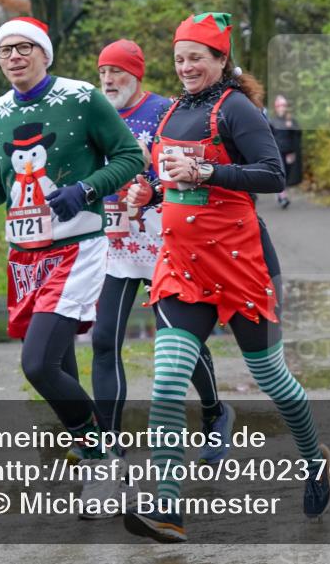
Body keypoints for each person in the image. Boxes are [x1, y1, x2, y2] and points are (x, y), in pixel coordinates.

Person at [121, 12, 330, 543]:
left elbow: (273, 174)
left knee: (273, 380)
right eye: (179, 58)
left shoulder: (235, 108)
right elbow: (162, 173)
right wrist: (148, 191)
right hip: (181, 266)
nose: (186, 66)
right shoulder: (171, 114)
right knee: (169, 382)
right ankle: (167, 508)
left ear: (220, 60)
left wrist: (210, 171)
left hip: (240, 263)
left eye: (196, 57)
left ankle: (314, 456)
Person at [0, 17, 146, 513]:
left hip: (77, 247)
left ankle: (104, 459)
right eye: (4, 51)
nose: (14, 57)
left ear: (44, 52)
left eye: (23, 48)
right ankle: (99, 468)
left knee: (37, 364)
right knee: (59, 367)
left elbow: (130, 157)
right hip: (24, 255)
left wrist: (86, 189)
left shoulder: (81, 97)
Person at [92, 39, 232, 485]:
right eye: (103, 74)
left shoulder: (166, 111)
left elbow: (187, 163)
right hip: (116, 244)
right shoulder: (96, 115)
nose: (109, 80)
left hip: (165, 240)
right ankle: (110, 455)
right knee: (102, 340)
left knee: (179, 345)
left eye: (118, 72)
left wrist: (151, 186)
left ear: (138, 74)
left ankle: (215, 413)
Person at [267, 95, 303, 208]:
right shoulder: (272, 121)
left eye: (284, 106)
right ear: (276, 108)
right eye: (280, 106)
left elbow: (298, 134)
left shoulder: (290, 120)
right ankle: (283, 197)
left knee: (287, 174)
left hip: (288, 152)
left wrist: (291, 126)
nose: (282, 108)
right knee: (281, 173)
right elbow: (268, 136)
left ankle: (280, 194)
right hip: (277, 152)